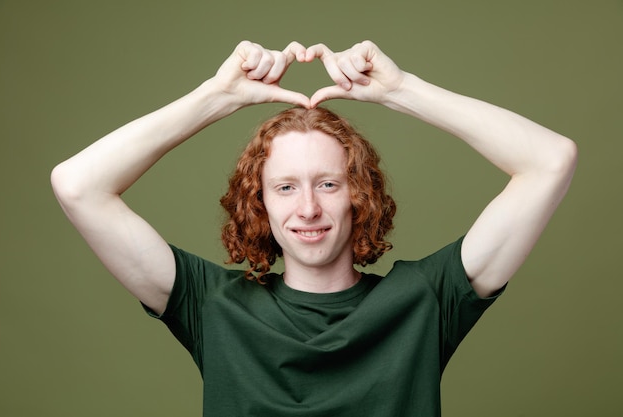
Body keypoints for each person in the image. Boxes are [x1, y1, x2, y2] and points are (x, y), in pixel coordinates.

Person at [51, 40, 577, 416]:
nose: (307, 209)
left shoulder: (424, 298)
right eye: (285, 187)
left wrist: (401, 91)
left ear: (359, 195)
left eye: (328, 184)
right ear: (259, 204)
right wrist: (218, 97)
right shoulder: (212, 305)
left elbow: (550, 160)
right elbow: (78, 185)